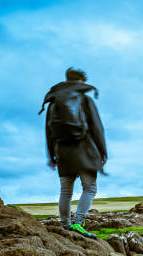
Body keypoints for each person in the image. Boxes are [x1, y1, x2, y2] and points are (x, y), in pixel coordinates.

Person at [39, 67, 107, 239]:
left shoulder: (53, 102)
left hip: (62, 152)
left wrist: (52, 156)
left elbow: (48, 132)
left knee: (66, 190)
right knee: (90, 188)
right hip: (84, 150)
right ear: (81, 82)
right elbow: (97, 128)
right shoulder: (84, 99)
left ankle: (64, 226)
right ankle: (79, 223)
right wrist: (102, 153)